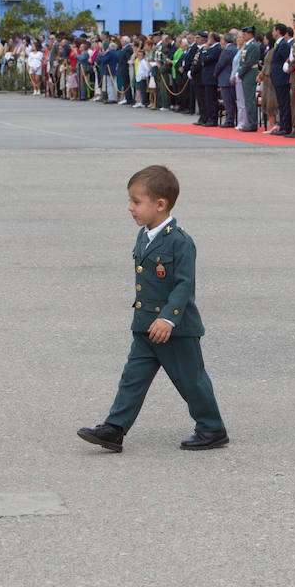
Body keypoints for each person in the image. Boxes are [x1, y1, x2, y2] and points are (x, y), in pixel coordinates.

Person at [77, 165, 227, 453]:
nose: (129, 207)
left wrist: (168, 320)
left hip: (175, 329)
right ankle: (115, 428)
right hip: (146, 326)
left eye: (136, 201)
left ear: (160, 204)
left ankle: (212, 428)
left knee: (191, 380)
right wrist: (147, 320)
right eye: (130, 201)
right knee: (132, 377)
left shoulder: (180, 241)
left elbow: (184, 286)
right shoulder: (145, 235)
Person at [236, 26, 263, 131]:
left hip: (250, 73)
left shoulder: (253, 46)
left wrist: (240, 72)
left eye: (245, 34)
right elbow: (243, 61)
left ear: (251, 34)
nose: (244, 36)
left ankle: (252, 123)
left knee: (249, 100)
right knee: (247, 100)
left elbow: (249, 62)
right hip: (246, 73)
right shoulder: (248, 46)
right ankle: (249, 122)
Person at [268, 24, 293, 135]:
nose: (272, 33)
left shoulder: (283, 44)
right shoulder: (279, 43)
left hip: (282, 78)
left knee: (284, 103)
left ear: (278, 31)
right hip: (277, 77)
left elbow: (287, 60)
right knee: (281, 103)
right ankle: (283, 125)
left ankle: (285, 127)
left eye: (273, 30)